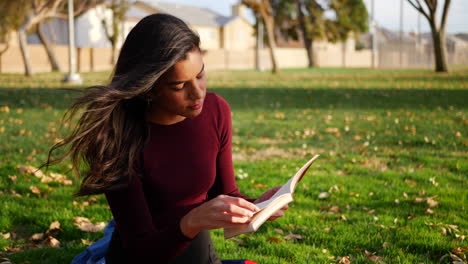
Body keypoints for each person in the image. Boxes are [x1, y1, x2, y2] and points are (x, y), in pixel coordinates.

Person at [46, 13, 288, 264]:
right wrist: (190, 222)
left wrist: (257, 206)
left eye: (200, 75)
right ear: (149, 87)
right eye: (179, 86)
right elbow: (142, 249)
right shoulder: (117, 139)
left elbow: (225, 193)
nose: (198, 94)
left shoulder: (216, 110)